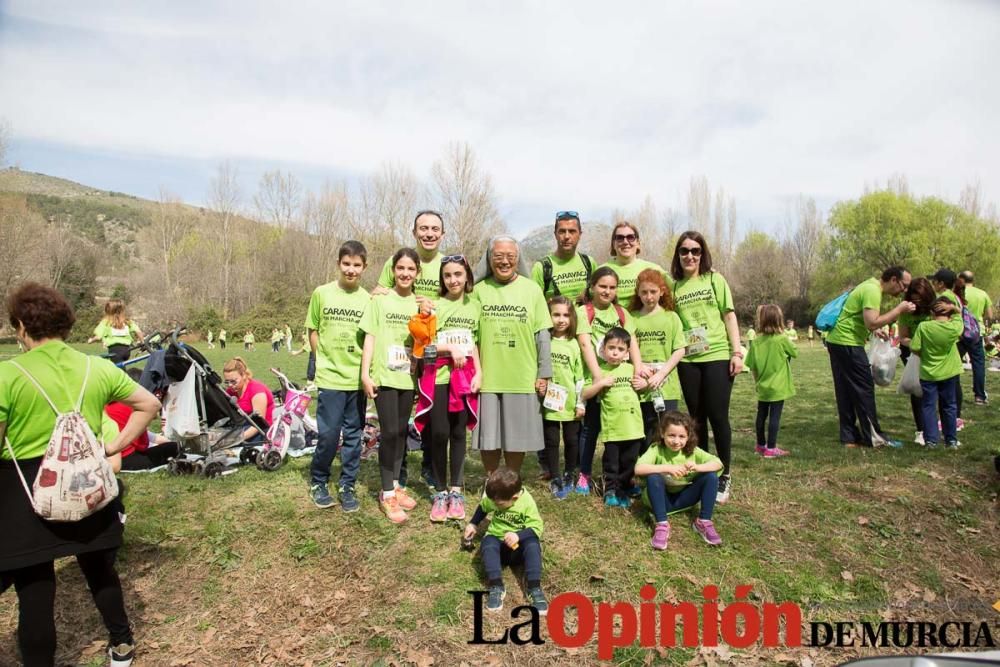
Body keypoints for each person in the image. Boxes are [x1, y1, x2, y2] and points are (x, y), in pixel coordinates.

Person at [0, 282, 160, 667]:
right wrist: (112, 445)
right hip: (88, 483)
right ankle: (121, 644)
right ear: (66, 324)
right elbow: (149, 403)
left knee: (35, 590)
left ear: (21, 325)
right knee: (98, 569)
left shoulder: (7, 374)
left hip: (27, 492)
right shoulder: (96, 367)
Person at [669, 231, 742, 503]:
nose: (690, 255)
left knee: (718, 416)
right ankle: (706, 472)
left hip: (717, 355)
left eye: (695, 251)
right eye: (684, 251)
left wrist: (736, 352)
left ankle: (724, 474)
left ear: (703, 254)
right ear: (678, 255)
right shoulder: (674, 287)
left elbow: (729, 316)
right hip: (689, 361)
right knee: (696, 419)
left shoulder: (715, 279)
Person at [375, 211, 447, 483]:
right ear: (414, 232)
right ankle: (398, 471)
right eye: (423, 228)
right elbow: (379, 294)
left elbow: (454, 297)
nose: (429, 233)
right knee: (400, 412)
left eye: (434, 229)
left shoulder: (446, 264)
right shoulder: (397, 261)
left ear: (443, 234)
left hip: (433, 350)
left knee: (430, 409)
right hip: (401, 350)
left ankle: (429, 466)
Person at [471, 236, 552, 476]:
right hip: (487, 376)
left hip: (522, 375)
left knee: (517, 436)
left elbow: (543, 335)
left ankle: (511, 479)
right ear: (489, 259)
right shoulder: (478, 291)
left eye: (510, 257)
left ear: (518, 260)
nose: (504, 262)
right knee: (489, 436)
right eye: (498, 257)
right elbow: (471, 336)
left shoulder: (532, 290)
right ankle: (492, 480)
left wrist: (544, 372)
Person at [306, 240, 370, 511]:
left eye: (357, 265)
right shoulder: (322, 293)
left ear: (364, 267)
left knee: (354, 435)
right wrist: (321, 360)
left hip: (356, 379)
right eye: (347, 264)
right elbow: (313, 329)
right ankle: (319, 480)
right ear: (338, 264)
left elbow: (371, 338)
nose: (351, 270)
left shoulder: (368, 299)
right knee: (329, 434)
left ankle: (347, 484)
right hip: (330, 377)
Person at [419, 255, 481, 523]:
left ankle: (456, 491)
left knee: (458, 433)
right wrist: (450, 348)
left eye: (458, 274)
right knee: (439, 433)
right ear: (442, 279)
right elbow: (424, 349)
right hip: (439, 378)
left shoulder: (475, 306)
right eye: (447, 275)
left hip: (466, 379)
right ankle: (440, 492)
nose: (453, 280)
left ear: (467, 275)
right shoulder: (434, 308)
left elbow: (474, 342)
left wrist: (480, 371)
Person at [362, 248, 421, 523]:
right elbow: (370, 338)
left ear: (417, 273)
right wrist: (365, 374)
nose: (405, 274)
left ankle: (396, 485)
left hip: (407, 378)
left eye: (411, 269)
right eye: (401, 269)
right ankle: (386, 494)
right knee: (388, 434)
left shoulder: (420, 306)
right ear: (393, 271)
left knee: (400, 433)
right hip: (384, 377)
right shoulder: (380, 301)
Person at [825, 266, 914, 448]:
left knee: (846, 390)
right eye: (903, 286)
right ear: (893, 280)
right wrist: (899, 310)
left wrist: (875, 329)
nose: (904, 290)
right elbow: (871, 320)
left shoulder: (868, 285)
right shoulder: (873, 290)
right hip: (847, 343)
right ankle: (873, 437)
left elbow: (859, 318)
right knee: (863, 388)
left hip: (837, 341)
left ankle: (849, 437)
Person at [574, 267, 644, 494]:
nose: (607, 291)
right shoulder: (584, 312)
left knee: (622, 432)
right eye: (602, 286)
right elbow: (585, 343)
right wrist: (597, 376)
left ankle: (625, 477)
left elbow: (632, 342)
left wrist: (638, 369)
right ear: (592, 287)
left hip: (619, 383)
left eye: (612, 287)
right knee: (590, 429)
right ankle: (584, 473)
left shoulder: (622, 314)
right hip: (594, 378)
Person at [462, 467, 547, 615]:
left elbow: (536, 527)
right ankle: (496, 586)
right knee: (488, 543)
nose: (495, 505)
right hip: (499, 544)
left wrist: (518, 535)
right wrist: (473, 523)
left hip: (519, 548)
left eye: (499, 504)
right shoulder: (497, 498)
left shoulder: (526, 502)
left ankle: (534, 587)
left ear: (514, 498)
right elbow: (483, 507)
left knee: (533, 544)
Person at [635, 411, 723, 550]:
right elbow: (639, 469)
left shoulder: (692, 451)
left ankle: (703, 521)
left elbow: (718, 463)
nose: (676, 441)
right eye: (671, 435)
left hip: (684, 500)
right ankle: (662, 524)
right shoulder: (656, 449)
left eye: (682, 436)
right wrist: (666, 468)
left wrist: (698, 467)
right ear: (663, 433)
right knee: (654, 477)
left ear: (688, 437)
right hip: (659, 501)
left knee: (710, 476)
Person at [581, 327, 645, 508]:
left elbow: (646, 387)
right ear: (603, 350)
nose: (615, 353)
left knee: (629, 461)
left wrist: (644, 383)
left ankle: (624, 488)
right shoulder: (599, 371)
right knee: (612, 462)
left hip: (634, 427)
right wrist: (600, 383)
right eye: (611, 348)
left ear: (627, 353)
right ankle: (610, 490)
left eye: (620, 349)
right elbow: (585, 393)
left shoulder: (632, 368)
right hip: (613, 429)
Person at [628, 268, 685, 451]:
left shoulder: (671, 317)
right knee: (645, 430)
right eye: (644, 292)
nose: (649, 297)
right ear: (638, 293)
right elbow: (628, 348)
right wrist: (640, 369)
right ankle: (646, 471)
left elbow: (679, 350)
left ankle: (665, 471)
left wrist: (660, 374)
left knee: (666, 430)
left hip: (666, 387)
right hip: (641, 385)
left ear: (662, 291)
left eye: (653, 292)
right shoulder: (632, 318)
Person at [541, 296, 584, 500]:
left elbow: (580, 376)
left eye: (566, 315)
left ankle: (569, 473)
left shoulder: (575, 344)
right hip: (549, 404)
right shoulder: (543, 341)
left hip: (570, 404)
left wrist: (580, 403)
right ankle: (555, 477)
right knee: (551, 441)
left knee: (571, 440)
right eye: (556, 314)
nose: (561, 319)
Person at [910, 297, 964, 449]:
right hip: (950, 372)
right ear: (948, 312)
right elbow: (960, 318)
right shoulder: (953, 327)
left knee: (928, 406)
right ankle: (951, 440)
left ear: (932, 312)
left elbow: (914, 347)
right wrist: (954, 308)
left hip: (928, 373)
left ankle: (931, 440)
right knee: (949, 405)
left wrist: (925, 355)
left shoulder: (924, 327)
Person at [746, 305, 797, 458]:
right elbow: (794, 352)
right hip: (778, 386)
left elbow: (752, 366)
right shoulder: (781, 339)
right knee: (775, 416)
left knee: (761, 415)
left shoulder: (755, 342)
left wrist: (757, 382)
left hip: (762, 385)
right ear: (779, 320)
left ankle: (760, 445)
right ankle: (771, 448)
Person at [108, 369, 181, 471]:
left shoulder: (109, 405)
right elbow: (142, 445)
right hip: (127, 459)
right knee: (173, 448)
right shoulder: (134, 408)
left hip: (110, 456)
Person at [898, 278, 937, 445]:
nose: (917, 301)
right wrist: (915, 345)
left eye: (920, 297)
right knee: (918, 390)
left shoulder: (935, 310)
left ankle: (938, 427)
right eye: (914, 297)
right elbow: (902, 337)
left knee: (937, 390)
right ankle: (921, 430)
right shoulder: (906, 311)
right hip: (913, 353)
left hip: (935, 353)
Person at [930, 268, 967, 427]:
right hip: (956, 337)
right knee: (953, 380)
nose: (933, 284)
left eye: (934, 281)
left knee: (949, 381)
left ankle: (952, 418)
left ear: (941, 283)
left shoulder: (945, 298)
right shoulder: (955, 297)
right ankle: (954, 417)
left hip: (950, 339)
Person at [600, 221, 669, 305]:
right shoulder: (601, 271)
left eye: (630, 237)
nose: (625, 242)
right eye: (620, 238)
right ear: (613, 244)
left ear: (638, 243)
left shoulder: (654, 270)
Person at [531, 210, 594, 301]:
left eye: (572, 231)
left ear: (579, 235)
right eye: (562, 231)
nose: (567, 236)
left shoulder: (589, 263)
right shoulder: (541, 268)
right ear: (555, 235)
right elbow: (534, 304)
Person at [957, 270, 992, 405]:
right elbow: (989, 315)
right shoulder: (982, 294)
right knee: (978, 364)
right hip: (977, 333)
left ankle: (949, 390)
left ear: (961, 280)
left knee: (953, 361)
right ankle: (979, 396)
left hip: (959, 332)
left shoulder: (958, 293)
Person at [223, 357, 274, 443]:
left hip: (262, 429)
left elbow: (259, 425)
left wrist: (236, 439)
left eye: (233, 381)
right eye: (227, 382)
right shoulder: (230, 392)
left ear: (243, 375)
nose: (230, 385)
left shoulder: (257, 391)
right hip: (243, 426)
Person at [87, 299, 144, 364]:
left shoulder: (106, 322)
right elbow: (138, 331)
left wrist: (91, 340)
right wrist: (142, 342)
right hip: (127, 350)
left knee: (119, 370)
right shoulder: (127, 321)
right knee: (121, 366)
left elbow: (98, 337)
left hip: (115, 351)